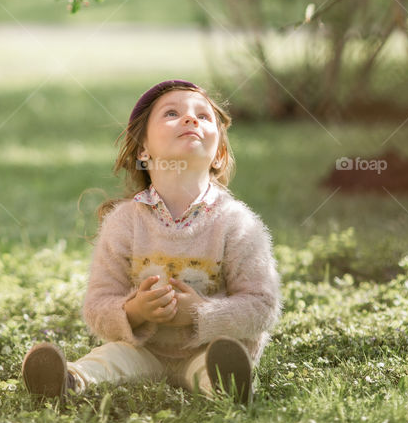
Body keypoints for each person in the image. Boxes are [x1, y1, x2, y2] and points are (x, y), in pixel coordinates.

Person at [22, 78, 282, 404]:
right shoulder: (125, 222)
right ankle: (68, 381)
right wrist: (134, 310)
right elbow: (97, 306)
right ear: (143, 150)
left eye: (203, 116)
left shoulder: (237, 223)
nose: (190, 119)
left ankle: (227, 385)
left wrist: (201, 313)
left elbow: (262, 307)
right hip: (143, 351)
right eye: (172, 113)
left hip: (210, 350)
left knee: (211, 368)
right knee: (109, 360)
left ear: (219, 154)